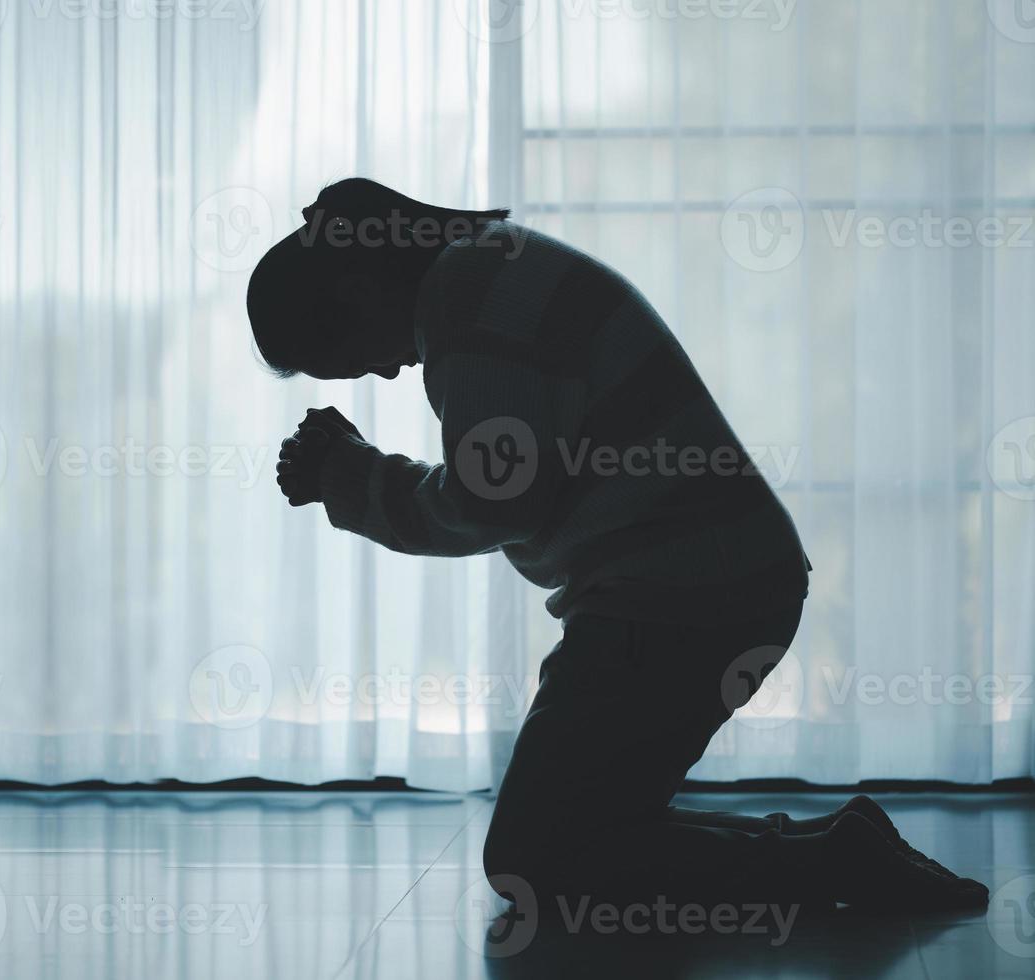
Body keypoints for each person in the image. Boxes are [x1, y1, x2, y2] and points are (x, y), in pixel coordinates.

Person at [246, 177, 989, 914]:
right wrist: (358, 472)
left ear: (350, 291)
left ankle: (834, 862)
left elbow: (492, 501)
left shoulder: (467, 295)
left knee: (532, 862)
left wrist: (351, 476)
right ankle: (834, 852)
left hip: (681, 595)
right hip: (704, 584)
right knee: (574, 837)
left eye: (345, 356)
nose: (384, 369)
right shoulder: (486, 267)